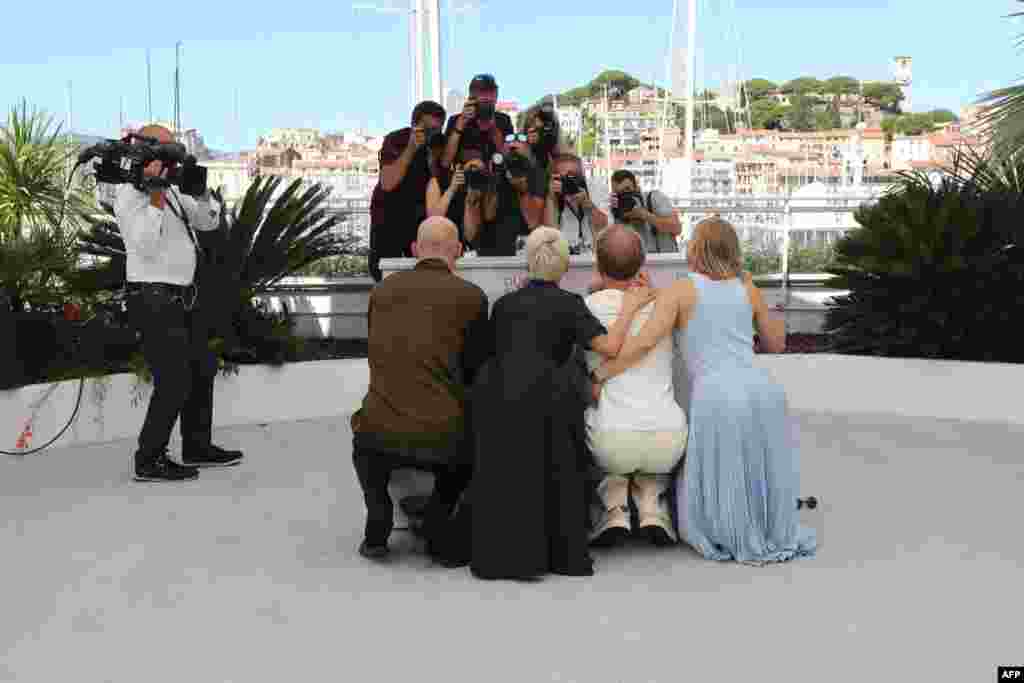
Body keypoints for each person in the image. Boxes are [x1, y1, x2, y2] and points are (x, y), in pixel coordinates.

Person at [590, 217, 817, 565]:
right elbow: (776, 342)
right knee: (752, 466)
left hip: (718, 394)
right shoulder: (747, 287)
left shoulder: (682, 290)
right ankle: (763, 527)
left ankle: (728, 532)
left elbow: (641, 344)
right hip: (761, 390)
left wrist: (604, 372)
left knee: (726, 472)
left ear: (695, 248)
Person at [461, 227, 655, 580]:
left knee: (509, 474)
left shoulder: (505, 304)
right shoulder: (570, 304)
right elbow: (609, 347)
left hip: (500, 398)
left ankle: (504, 552)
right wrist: (630, 306)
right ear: (565, 266)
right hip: (550, 399)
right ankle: (557, 550)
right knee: (556, 466)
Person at [350, 216, 490, 561]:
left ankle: (378, 520)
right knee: (468, 450)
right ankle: (438, 520)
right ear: (458, 250)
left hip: (378, 431)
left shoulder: (381, 291)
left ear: (415, 250)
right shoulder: (472, 297)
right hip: (443, 438)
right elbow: (476, 370)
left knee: (363, 441)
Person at [116, 124, 244, 482]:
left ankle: (197, 446)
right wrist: (155, 195)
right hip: (153, 299)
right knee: (173, 380)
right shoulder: (129, 194)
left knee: (201, 367)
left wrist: (202, 195)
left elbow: (206, 222)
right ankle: (149, 458)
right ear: (148, 151)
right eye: (167, 149)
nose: (174, 155)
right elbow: (144, 242)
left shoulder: (172, 191)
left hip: (182, 299)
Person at [584, 226, 687, 547]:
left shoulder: (585, 308)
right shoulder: (665, 308)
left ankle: (613, 505)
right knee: (649, 449)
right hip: (668, 438)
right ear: (643, 263)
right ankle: (651, 504)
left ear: (598, 266)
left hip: (610, 441)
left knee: (587, 412)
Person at [368, 100, 447, 282]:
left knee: (423, 278)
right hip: (389, 218)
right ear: (414, 125)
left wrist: (433, 157)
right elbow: (388, 183)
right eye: (427, 129)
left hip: (419, 220)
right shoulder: (396, 140)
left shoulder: (438, 145)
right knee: (384, 275)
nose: (431, 135)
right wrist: (411, 148)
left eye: (436, 129)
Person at [466, 146, 545, 256]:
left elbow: (532, 223)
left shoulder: (532, 184)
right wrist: (493, 180)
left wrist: (522, 189)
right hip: (489, 252)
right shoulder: (489, 183)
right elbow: (488, 215)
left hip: (518, 252)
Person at [442, 74, 514, 168]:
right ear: (471, 97)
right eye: (481, 92)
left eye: (490, 92)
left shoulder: (504, 120)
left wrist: (493, 128)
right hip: (466, 180)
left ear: (496, 96)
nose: (486, 97)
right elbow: (445, 162)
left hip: (496, 180)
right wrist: (460, 125)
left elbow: (509, 159)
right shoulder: (456, 120)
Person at [545, 153, 609, 254]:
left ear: (582, 175)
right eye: (562, 177)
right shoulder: (550, 195)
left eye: (571, 175)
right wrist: (551, 198)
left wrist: (587, 203)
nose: (567, 181)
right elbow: (548, 235)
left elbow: (604, 226)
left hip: (592, 256)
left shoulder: (597, 188)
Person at [609, 169, 682, 255]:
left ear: (637, 188)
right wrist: (618, 218)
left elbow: (677, 228)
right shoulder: (617, 211)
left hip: (666, 261)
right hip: (639, 263)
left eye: (627, 190)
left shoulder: (654, 198)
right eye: (619, 194)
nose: (624, 197)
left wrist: (644, 215)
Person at [425, 146, 484, 249]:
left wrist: (470, 202)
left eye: (478, 170)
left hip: (464, 251)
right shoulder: (438, 182)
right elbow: (433, 220)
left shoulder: (479, 187)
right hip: (440, 246)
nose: (473, 173)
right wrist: (452, 188)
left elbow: (470, 236)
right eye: (470, 167)